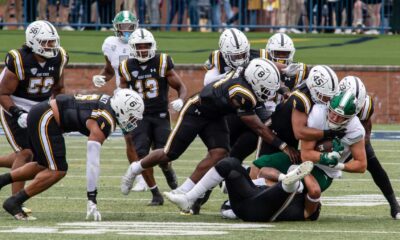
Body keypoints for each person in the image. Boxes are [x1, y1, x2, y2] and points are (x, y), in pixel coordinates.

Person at [120, 58, 298, 205]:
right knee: (170, 153)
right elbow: (259, 127)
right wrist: (282, 146)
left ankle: (184, 191)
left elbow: (268, 65)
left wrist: (284, 74)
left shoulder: (249, 68)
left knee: (220, 152)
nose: (267, 94)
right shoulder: (241, 94)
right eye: (265, 90)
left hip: (215, 115)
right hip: (196, 111)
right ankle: (135, 168)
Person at [0, 89, 144, 220]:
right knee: (57, 170)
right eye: (131, 115)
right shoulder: (105, 120)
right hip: (46, 117)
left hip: (44, 115)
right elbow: (92, 161)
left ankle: (2, 181)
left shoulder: (108, 104)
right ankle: (14, 202)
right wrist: (91, 198)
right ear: (120, 108)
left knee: (43, 166)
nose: (132, 120)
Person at [0, 20, 68, 212]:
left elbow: (59, 88)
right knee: (25, 153)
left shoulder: (60, 57)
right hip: (13, 105)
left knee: (37, 156)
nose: (51, 46)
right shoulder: (19, 59)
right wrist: (17, 113)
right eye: (46, 42)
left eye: (53, 42)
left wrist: (60, 111)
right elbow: (3, 94)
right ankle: (15, 201)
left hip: (41, 108)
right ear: (33, 41)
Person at [118, 28, 187, 205]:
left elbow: (181, 87)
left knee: (164, 154)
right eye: (138, 46)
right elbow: (123, 92)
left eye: (146, 46)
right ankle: (155, 193)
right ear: (132, 47)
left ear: (153, 46)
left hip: (161, 114)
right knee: (142, 155)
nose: (142, 49)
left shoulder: (162, 61)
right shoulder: (126, 66)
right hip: (139, 116)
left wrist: (181, 99)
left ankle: (168, 170)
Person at [165, 157, 317, 222]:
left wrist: (304, 173)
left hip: (261, 213)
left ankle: (291, 184)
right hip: (244, 203)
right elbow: (264, 170)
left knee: (291, 186)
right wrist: (284, 176)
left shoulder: (304, 209)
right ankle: (188, 198)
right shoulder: (272, 182)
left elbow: (315, 192)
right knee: (228, 163)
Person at [339, 76, 400, 219]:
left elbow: (366, 126)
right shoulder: (330, 101)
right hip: (330, 133)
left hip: (352, 133)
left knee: (373, 164)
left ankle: (394, 205)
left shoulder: (366, 105)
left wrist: (362, 143)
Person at [92, 11, 138, 89]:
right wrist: (101, 78)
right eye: (123, 26)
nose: (126, 30)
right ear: (116, 27)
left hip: (140, 93)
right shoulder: (110, 44)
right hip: (121, 94)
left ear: (135, 27)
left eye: (129, 26)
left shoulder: (140, 43)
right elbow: (109, 71)